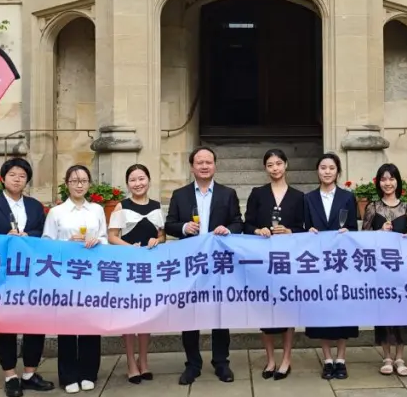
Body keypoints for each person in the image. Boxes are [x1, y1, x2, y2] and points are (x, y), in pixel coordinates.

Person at [164, 146, 244, 385]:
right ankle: (192, 364)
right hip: (191, 264)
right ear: (192, 167)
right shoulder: (180, 195)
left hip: (218, 264)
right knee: (190, 315)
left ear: (215, 166)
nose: (204, 166)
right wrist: (183, 227)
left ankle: (221, 363)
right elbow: (169, 224)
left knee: (220, 314)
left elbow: (238, 223)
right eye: (200, 162)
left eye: (209, 162)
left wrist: (227, 229)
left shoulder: (227, 194)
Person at [0, 158, 55, 397]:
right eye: (12, 174)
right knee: (6, 325)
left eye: (22, 176)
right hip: (4, 274)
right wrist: (5, 238)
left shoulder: (34, 206)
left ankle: (30, 373)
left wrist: (27, 235)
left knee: (35, 323)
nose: (17, 179)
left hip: (32, 273)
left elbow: (42, 232)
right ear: (3, 178)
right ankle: (10, 375)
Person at [44, 164, 106, 393]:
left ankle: (89, 372)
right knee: (67, 325)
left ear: (89, 184)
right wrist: (66, 244)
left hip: (91, 273)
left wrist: (97, 241)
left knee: (90, 323)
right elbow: (47, 242)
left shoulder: (97, 210)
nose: (79, 185)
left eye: (83, 181)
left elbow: (104, 238)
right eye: (74, 181)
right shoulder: (56, 212)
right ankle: (68, 375)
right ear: (67, 184)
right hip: (66, 274)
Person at [245, 149, 305, 381]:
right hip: (263, 259)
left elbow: (304, 228)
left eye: (278, 163)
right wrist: (257, 230)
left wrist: (290, 231)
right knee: (265, 311)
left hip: (288, 261)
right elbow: (246, 224)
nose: (275, 168)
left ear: (286, 165)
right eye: (270, 165)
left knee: (287, 310)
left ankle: (286, 359)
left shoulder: (298, 196)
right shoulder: (258, 193)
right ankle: (270, 359)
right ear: (265, 168)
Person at [362, 163, 407, 377]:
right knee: (384, 313)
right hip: (380, 268)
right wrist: (379, 232)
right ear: (379, 182)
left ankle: (400, 357)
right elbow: (363, 238)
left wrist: (406, 240)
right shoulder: (373, 207)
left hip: (402, 268)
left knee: (402, 313)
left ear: (398, 181)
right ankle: (386, 356)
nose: (388, 183)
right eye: (383, 179)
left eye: (391, 179)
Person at [303, 152, 359, 380]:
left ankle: (341, 358)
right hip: (317, 262)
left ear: (338, 172)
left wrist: (348, 232)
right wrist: (308, 231)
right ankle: (327, 359)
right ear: (317, 171)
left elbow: (354, 228)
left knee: (343, 310)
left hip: (341, 262)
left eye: (331, 168)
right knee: (322, 311)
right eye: (323, 167)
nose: (327, 172)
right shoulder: (308, 198)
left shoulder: (347, 197)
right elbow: (304, 228)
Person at [108, 163, 164, 384]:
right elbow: (112, 236)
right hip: (128, 265)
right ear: (127, 183)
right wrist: (130, 248)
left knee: (146, 314)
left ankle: (144, 360)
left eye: (141, 178)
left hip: (149, 267)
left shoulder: (157, 206)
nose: (138, 183)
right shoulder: (121, 206)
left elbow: (162, 235)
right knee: (129, 315)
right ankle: (131, 361)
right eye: (133, 180)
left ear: (148, 180)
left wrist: (157, 240)